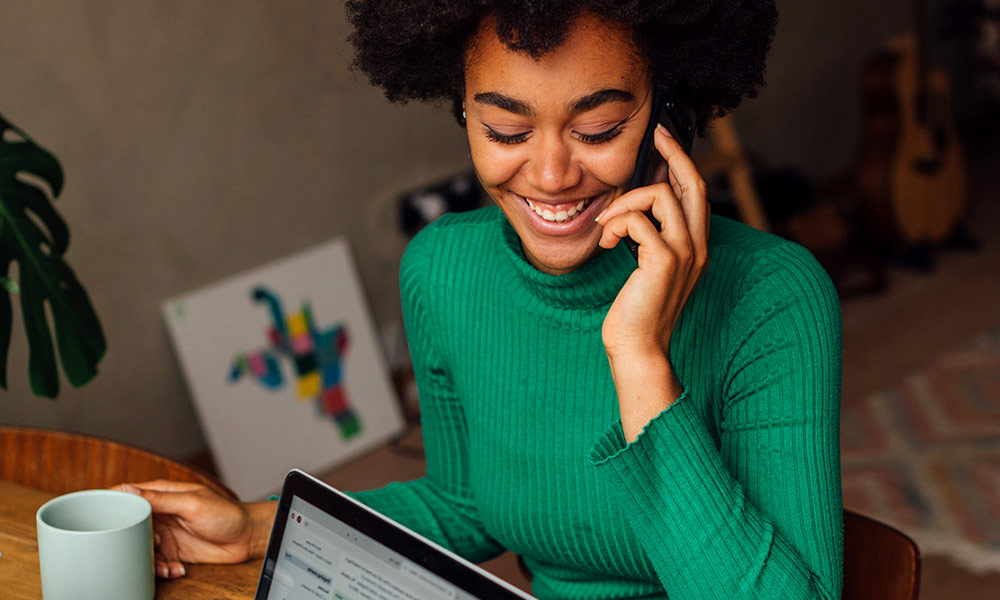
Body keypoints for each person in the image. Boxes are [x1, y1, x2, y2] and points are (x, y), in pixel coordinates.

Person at [124, 2, 844, 598]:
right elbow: (469, 503)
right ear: (460, 111)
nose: (553, 174)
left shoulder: (773, 299)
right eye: (505, 129)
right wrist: (253, 526)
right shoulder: (443, 270)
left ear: (671, 113)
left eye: (598, 130)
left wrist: (640, 362)